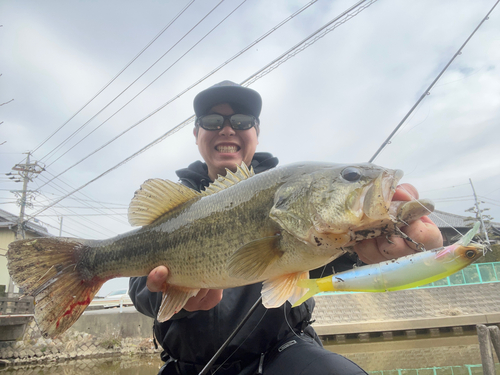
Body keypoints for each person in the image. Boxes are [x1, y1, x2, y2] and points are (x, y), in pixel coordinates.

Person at [129, 81, 443, 375]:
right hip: (188, 366)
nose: (227, 129)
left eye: (241, 121)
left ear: (256, 131)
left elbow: (332, 260)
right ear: (196, 133)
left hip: (282, 354)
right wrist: (173, 296)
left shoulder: (295, 192)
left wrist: (380, 249)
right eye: (212, 122)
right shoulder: (169, 213)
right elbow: (140, 288)